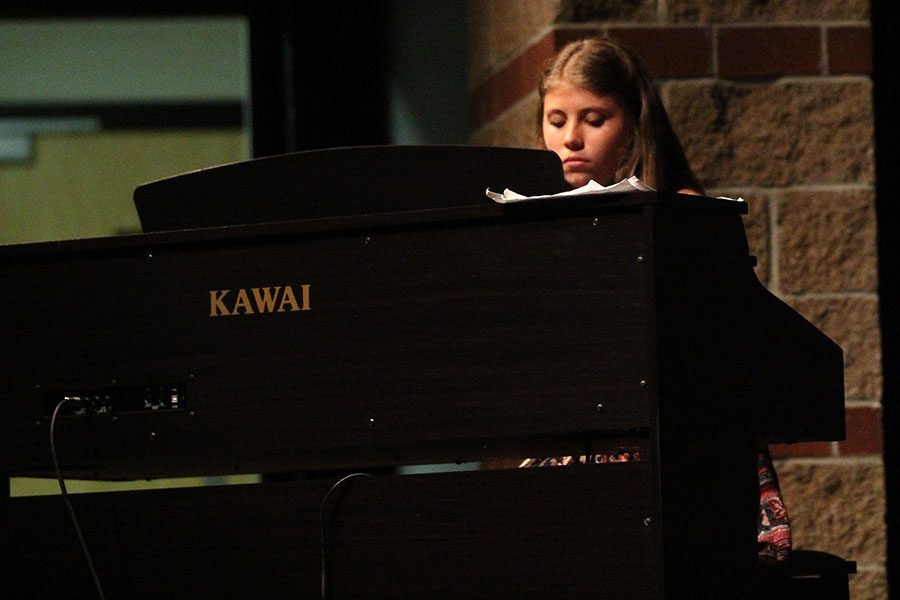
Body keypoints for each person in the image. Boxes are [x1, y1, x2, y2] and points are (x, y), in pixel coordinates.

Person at [524, 35, 792, 566]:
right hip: (579, 436)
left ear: (632, 126)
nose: (571, 138)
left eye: (593, 119)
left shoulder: (684, 212)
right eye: (556, 120)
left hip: (674, 442)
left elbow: (715, 340)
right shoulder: (537, 223)